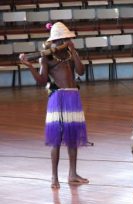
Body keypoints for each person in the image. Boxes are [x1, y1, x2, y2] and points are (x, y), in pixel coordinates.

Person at [19, 22, 89, 188]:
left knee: (72, 137)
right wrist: (30, 67)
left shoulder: (71, 54)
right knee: (56, 138)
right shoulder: (47, 56)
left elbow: (81, 72)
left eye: (67, 39)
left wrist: (74, 52)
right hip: (57, 97)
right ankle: (54, 177)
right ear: (55, 41)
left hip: (73, 96)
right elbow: (42, 80)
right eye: (62, 39)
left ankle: (72, 174)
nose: (64, 42)